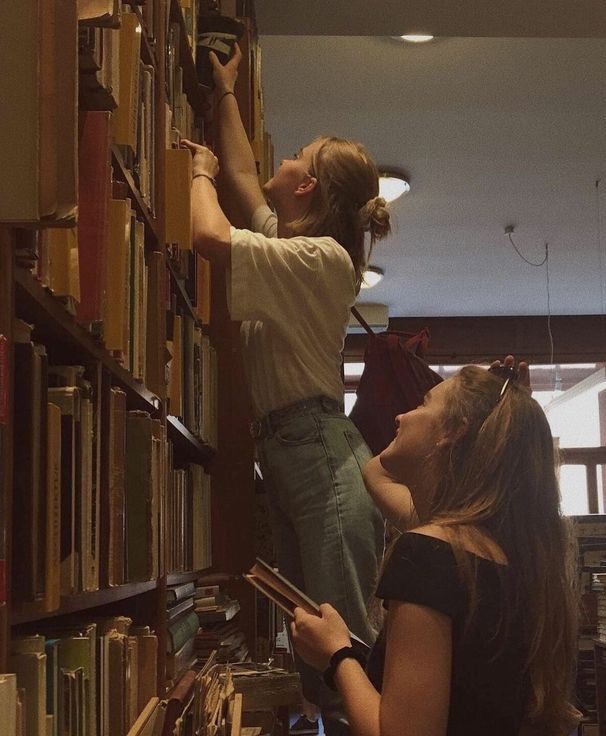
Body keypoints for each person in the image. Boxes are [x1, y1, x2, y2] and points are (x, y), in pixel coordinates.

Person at [182, 45, 391, 734]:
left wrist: (195, 171)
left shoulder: (318, 257)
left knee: (342, 651)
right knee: (318, 651)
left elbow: (208, 230)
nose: (285, 158)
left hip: (320, 459)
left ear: (309, 188)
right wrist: (226, 96)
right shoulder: (292, 248)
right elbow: (243, 170)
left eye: (297, 153)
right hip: (300, 452)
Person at [290, 365, 581, 736]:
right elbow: (374, 472)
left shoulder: (427, 552)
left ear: (453, 430)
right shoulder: (497, 548)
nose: (402, 415)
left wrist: (336, 656)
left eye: (423, 403)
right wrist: (498, 413)